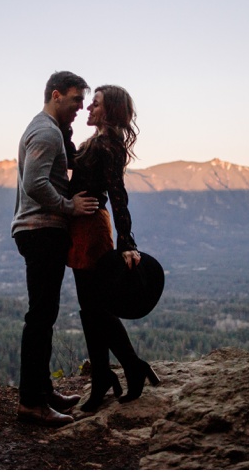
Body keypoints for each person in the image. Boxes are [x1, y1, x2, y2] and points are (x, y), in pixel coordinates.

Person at [12, 71, 100, 427]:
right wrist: (69, 207)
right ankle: (31, 403)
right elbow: (34, 183)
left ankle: (42, 391)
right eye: (77, 99)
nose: (81, 106)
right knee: (40, 318)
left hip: (41, 231)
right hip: (41, 230)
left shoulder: (51, 130)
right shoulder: (46, 131)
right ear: (56, 94)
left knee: (44, 317)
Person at [68, 85, 160, 412]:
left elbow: (118, 194)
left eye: (96, 104)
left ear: (109, 111)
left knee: (95, 309)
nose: (89, 108)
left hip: (92, 229)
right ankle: (119, 371)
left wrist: (127, 243)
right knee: (92, 309)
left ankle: (118, 372)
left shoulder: (108, 145)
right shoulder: (95, 142)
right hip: (82, 228)